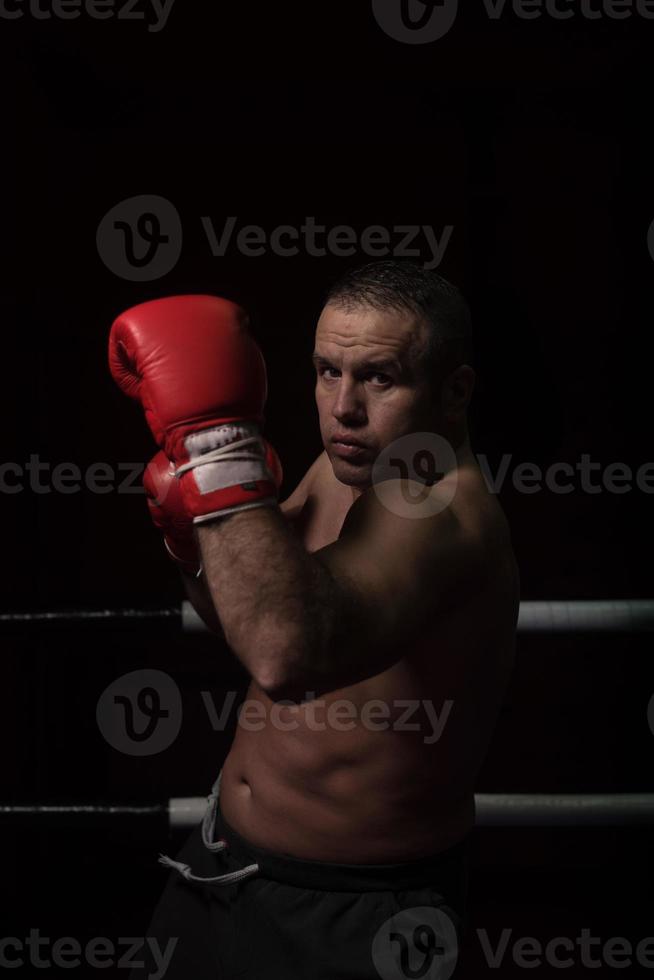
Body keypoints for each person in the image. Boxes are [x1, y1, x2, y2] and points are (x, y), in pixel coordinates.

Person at [111, 260, 520, 980]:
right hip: (222, 864)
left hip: (353, 915)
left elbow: (285, 653)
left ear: (454, 391)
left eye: (379, 378)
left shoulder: (442, 512)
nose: (343, 408)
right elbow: (248, 619)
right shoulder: (345, 466)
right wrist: (188, 543)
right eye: (327, 372)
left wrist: (216, 447)